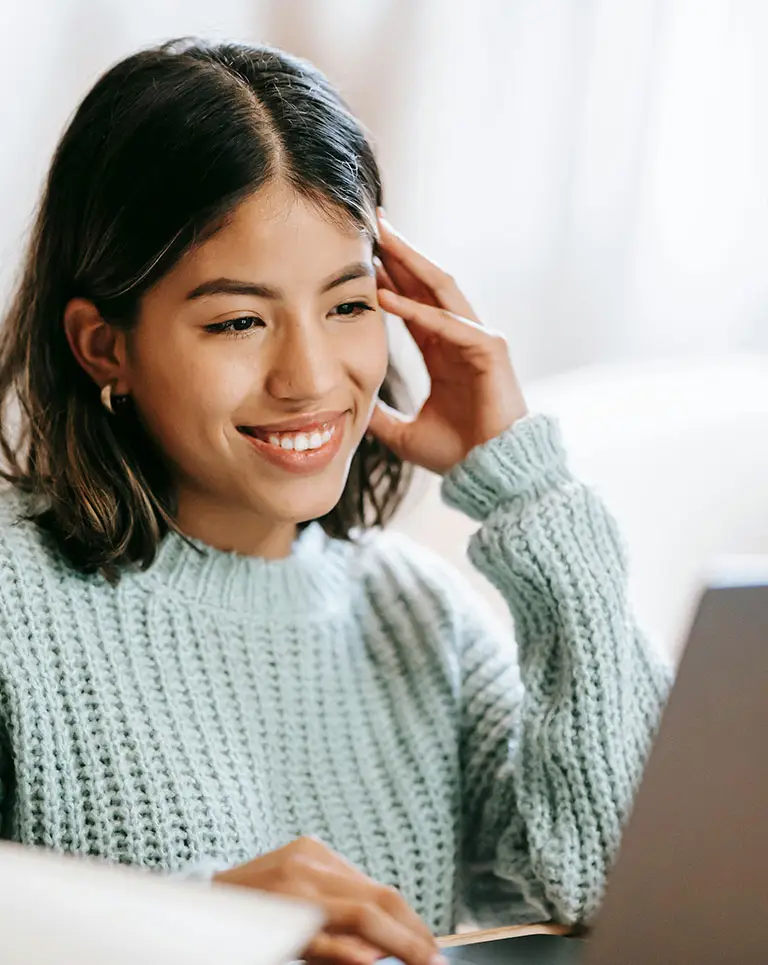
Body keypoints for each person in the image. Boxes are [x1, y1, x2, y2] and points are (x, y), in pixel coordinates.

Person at [0, 38, 670, 965]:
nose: (311, 377)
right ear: (103, 345)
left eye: (349, 305)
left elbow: (627, 887)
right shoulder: (13, 600)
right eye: (238, 320)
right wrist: (190, 931)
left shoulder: (423, 621)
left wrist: (531, 488)